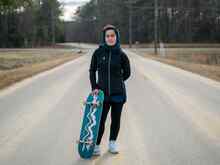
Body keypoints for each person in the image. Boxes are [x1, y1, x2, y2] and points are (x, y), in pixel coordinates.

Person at [89, 24, 131, 156]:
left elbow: (128, 73)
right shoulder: (98, 53)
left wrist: (117, 82)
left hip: (118, 94)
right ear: (104, 38)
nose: (110, 38)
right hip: (102, 94)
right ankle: (96, 145)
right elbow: (92, 70)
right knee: (100, 121)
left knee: (116, 120)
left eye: (112, 35)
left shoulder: (121, 54)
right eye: (107, 36)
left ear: (116, 37)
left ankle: (112, 143)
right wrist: (95, 87)